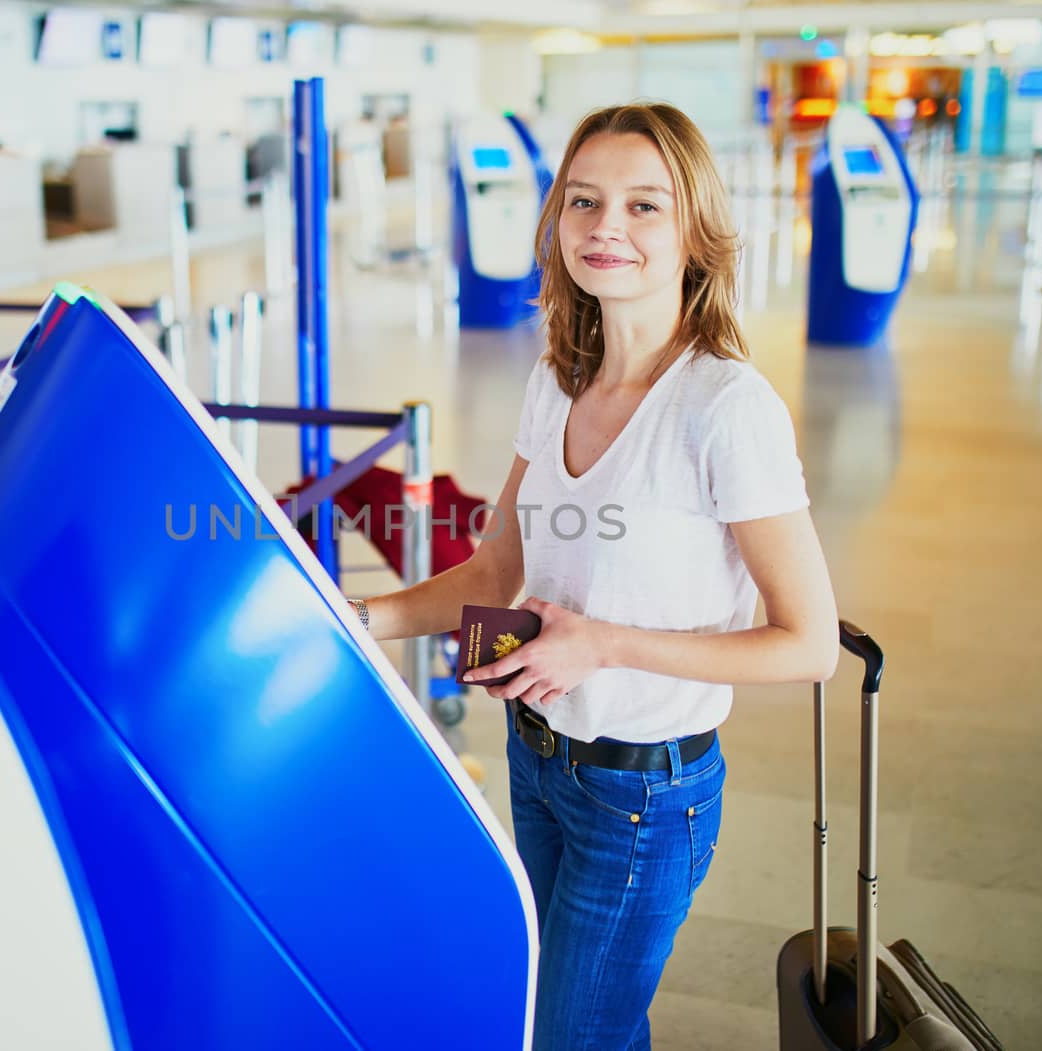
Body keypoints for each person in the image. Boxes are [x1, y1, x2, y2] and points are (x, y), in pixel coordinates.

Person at [346, 102, 839, 1050]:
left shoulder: (726, 409)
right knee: (556, 1017)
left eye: (643, 206)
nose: (606, 227)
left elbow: (810, 644)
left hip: (643, 794)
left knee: (575, 1035)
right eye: (584, 201)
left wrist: (601, 643)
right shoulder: (558, 381)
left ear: (695, 233)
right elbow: (498, 566)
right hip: (537, 758)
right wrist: (354, 617)